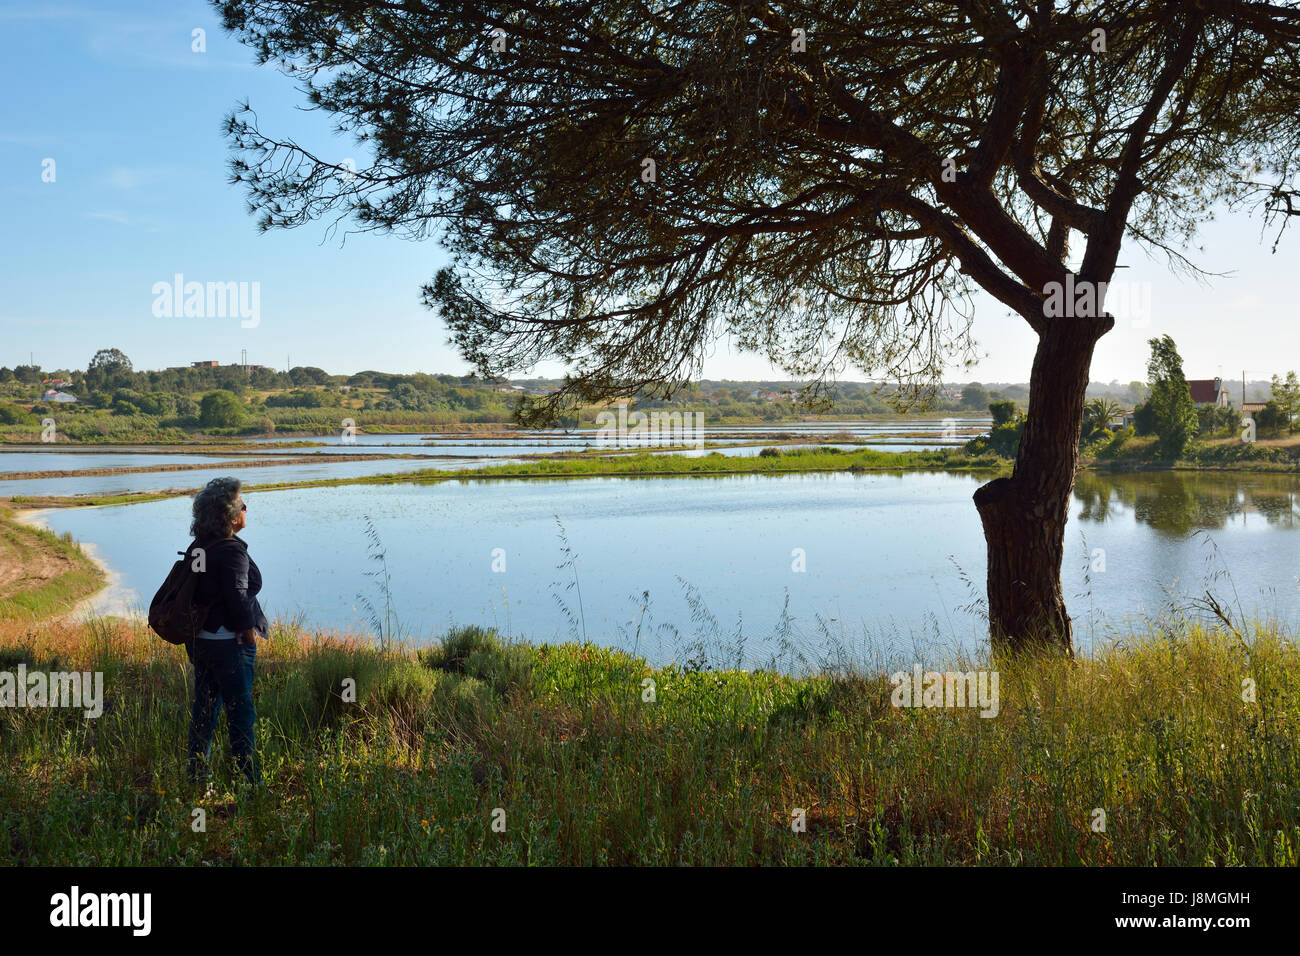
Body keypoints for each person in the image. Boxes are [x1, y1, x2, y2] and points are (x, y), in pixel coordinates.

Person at [185, 476, 268, 788]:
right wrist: (246, 630)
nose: (247, 512)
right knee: (241, 715)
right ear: (232, 516)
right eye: (244, 507)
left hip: (201, 644)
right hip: (229, 645)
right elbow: (236, 597)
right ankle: (250, 785)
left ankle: (197, 782)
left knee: (204, 714)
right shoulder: (231, 551)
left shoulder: (198, 547)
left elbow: (199, 593)